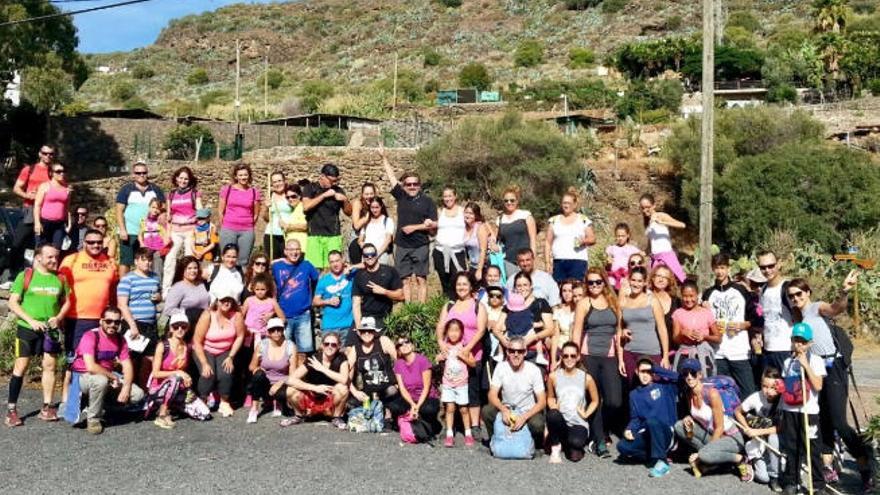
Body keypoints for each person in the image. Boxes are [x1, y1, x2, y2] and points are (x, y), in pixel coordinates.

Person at [788, 272, 873, 488]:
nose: (796, 298)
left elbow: (836, 308)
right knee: (823, 417)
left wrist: (844, 290)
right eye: (791, 296)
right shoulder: (797, 316)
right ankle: (828, 467)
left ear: (807, 292)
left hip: (833, 366)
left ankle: (865, 464)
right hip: (815, 368)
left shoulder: (817, 307)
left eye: (799, 294)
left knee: (838, 421)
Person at [5, 244, 69, 427]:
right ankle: (11, 410)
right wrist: (31, 321)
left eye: (56, 257)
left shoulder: (61, 278)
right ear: (38, 257)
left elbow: (66, 302)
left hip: (50, 330)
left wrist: (59, 317)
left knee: (50, 366)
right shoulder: (25, 276)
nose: (54, 260)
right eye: (50, 257)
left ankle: (47, 407)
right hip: (27, 328)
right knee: (21, 366)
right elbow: (13, 303)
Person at [59, 228, 118, 402]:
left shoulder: (110, 262)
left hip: (102, 320)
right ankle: (67, 399)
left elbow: (113, 291)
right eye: (91, 242)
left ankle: (89, 398)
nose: (95, 245)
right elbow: (61, 290)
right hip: (76, 318)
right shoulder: (71, 260)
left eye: (99, 242)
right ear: (84, 242)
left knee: (97, 359)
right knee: (74, 360)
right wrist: (60, 315)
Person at [570, 267, 622, 458]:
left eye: (598, 282)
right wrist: (574, 356)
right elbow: (576, 330)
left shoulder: (613, 300)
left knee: (614, 401)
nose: (594, 286)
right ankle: (598, 441)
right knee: (595, 399)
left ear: (604, 282)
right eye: (590, 282)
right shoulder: (584, 303)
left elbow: (618, 329)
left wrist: (621, 355)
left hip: (609, 355)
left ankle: (603, 429)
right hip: (588, 355)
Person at [67, 306, 145, 434]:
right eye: (108, 321)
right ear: (101, 321)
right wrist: (113, 377)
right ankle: (93, 420)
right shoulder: (90, 336)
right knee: (101, 381)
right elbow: (91, 366)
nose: (112, 325)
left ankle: (103, 407)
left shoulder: (120, 339)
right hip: (83, 376)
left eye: (117, 322)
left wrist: (126, 387)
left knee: (137, 394)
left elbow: (127, 366)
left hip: (106, 375)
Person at [674, 358, 752, 482]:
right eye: (685, 374)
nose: (689, 377)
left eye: (693, 373)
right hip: (711, 433)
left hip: (731, 436)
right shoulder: (689, 393)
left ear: (699, 375)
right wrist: (688, 418)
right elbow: (699, 417)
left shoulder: (711, 393)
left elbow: (720, 427)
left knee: (704, 454)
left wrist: (700, 456)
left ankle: (740, 459)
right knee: (679, 426)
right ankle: (716, 460)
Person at [379, 146, 437, 303]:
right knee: (404, 280)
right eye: (409, 184)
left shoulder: (428, 201)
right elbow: (391, 178)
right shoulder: (401, 196)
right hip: (402, 245)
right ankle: (409, 309)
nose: (412, 186)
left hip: (420, 245)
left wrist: (416, 227)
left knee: (421, 279)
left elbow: (435, 224)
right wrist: (384, 157)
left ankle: (421, 310)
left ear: (420, 185)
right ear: (404, 185)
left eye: (415, 184)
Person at [777, 323, 827, 494]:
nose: (799, 345)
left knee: (812, 448)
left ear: (810, 343)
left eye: (803, 342)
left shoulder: (816, 360)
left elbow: (818, 386)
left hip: (809, 411)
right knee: (792, 446)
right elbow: (786, 385)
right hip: (790, 410)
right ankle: (792, 481)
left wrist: (806, 365)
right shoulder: (787, 362)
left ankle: (818, 484)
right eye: (796, 340)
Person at [436, 271, 487, 435]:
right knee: (450, 386)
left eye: (465, 284)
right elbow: (440, 326)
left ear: (471, 286)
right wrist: (440, 344)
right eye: (459, 284)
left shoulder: (478, 306)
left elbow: (481, 330)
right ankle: (450, 424)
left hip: (472, 355)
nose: (462, 287)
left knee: (472, 389)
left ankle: (474, 426)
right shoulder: (449, 305)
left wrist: (467, 349)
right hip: (451, 356)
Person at [702, 253, 756, 398]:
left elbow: (755, 317)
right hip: (717, 352)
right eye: (716, 268)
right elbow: (702, 322)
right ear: (712, 269)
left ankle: (750, 419)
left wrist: (743, 325)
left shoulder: (740, 290)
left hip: (739, 350)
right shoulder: (707, 294)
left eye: (723, 267)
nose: (719, 271)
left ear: (728, 269)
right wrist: (705, 311)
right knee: (722, 394)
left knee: (748, 391)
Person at [617, 357, 681, 478]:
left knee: (652, 422)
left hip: (666, 432)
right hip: (647, 433)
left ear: (653, 373)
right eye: (642, 372)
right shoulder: (634, 394)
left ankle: (662, 462)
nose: (645, 375)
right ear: (637, 372)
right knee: (622, 446)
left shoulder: (664, 387)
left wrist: (656, 368)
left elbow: (679, 378)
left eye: (649, 372)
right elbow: (635, 418)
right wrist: (629, 429)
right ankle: (653, 456)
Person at [144, 312, 210, 429]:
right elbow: (155, 373)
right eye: (176, 326)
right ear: (171, 328)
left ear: (187, 328)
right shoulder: (163, 345)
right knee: (176, 377)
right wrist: (178, 372)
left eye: (183, 326)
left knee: (204, 414)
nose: (180, 329)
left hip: (177, 388)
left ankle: (174, 405)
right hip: (158, 388)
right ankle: (162, 413)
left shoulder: (187, 347)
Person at [481, 336, 546, 447]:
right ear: (507, 352)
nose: (516, 354)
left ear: (525, 352)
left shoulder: (534, 370)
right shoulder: (501, 367)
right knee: (487, 411)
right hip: (507, 408)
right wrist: (503, 410)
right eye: (512, 351)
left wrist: (525, 416)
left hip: (527, 410)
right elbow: (492, 394)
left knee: (538, 424)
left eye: (520, 351)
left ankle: (535, 444)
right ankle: (496, 440)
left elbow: (542, 401)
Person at [192, 289, 246, 417]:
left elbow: (240, 336)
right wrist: (204, 363)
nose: (226, 303)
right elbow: (197, 340)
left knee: (226, 372)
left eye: (229, 300)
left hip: (225, 350)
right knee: (208, 373)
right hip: (205, 349)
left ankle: (224, 401)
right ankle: (203, 399)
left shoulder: (236, 316)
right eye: (223, 300)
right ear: (217, 302)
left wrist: (231, 356)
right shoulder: (208, 315)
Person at [6, 144, 55, 285]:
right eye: (45, 153)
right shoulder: (30, 169)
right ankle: (13, 276)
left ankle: (39, 277)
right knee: (18, 243)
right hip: (29, 210)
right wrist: (27, 195)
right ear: (40, 154)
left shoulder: (54, 171)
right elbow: (16, 188)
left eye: (51, 154)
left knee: (41, 247)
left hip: (46, 211)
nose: (48, 156)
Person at [546, 341, 600, 463]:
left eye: (572, 356)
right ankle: (556, 447)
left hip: (578, 423)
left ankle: (568, 444)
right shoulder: (553, 376)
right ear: (561, 357)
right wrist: (554, 407)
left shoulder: (586, 378)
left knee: (575, 451)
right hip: (562, 420)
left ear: (578, 357)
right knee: (552, 414)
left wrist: (586, 414)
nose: (569, 359)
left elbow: (595, 400)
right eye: (565, 356)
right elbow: (550, 397)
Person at [285, 331, 350, 428]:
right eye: (326, 344)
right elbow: (290, 380)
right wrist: (315, 388)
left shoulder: (342, 358)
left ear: (339, 346)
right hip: (312, 396)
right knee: (290, 390)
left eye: (334, 344)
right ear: (322, 346)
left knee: (343, 388)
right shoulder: (313, 359)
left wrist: (322, 369)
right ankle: (298, 415)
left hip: (330, 397)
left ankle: (336, 417)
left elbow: (344, 380)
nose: (330, 347)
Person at [117, 248, 162, 386]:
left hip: (151, 324)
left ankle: (143, 391)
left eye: (149, 260)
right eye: (144, 260)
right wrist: (132, 326)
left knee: (149, 359)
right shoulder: (127, 279)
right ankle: (129, 390)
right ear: (136, 261)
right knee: (132, 360)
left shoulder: (155, 277)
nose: (148, 263)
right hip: (134, 323)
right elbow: (122, 305)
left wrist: (159, 298)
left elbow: (158, 297)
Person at [735, 367, 783, 490]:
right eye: (765, 386)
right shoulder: (756, 396)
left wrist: (757, 431)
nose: (768, 391)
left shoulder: (783, 399)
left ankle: (774, 477)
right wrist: (746, 428)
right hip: (759, 442)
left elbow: (780, 428)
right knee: (762, 478)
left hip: (776, 440)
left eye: (773, 387)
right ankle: (750, 462)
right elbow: (738, 411)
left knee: (773, 438)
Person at [273, 238, 320, 364]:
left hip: (303, 315)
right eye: (291, 249)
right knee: (283, 351)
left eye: (297, 249)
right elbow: (262, 271)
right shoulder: (276, 266)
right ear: (285, 251)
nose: (294, 252)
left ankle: (300, 381)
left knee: (303, 353)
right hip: (284, 315)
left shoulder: (307, 265)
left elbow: (317, 281)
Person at [116, 160, 165, 276]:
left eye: (144, 172)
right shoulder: (126, 189)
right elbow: (119, 210)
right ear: (133, 174)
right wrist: (123, 229)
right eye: (138, 173)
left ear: (147, 173)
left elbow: (163, 209)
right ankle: (123, 288)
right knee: (126, 262)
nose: (141, 175)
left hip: (149, 233)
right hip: (130, 231)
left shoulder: (155, 189)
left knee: (148, 261)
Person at [619, 266, 670, 380]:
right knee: (633, 391)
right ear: (629, 280)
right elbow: (619, 330)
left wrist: (665, 355)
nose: (636, 284)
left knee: (655, 388)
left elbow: (662, 329)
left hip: (651, 351)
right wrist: (620, 359)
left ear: (644, 283)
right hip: (630, 352)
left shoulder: (652, 301)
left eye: (639, 281)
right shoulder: (623, 301)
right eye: (633, 280)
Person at [494, 272, 553, 366]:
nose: (522, 288)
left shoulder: (541, 303)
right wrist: (503, 340)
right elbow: (497, 328)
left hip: (532, 351)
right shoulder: (510, 305)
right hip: (511, 350)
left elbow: (550, 329)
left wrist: (532, 338)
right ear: (515, 288)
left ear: (531, 286)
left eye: (525, 285)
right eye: (519, 285)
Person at [245, 318, 296, 424]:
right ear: (268, 332)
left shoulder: (290, 346)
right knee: (258, 375)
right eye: (273, 330)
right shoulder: (262, 345)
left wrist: (280, 383)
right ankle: (254, 409)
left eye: (279, 330)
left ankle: (278, 402)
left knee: (284, 399)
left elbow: (293, 374)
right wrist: (257, 368)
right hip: (265, 382)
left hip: (282, 382)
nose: (276, 333)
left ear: (283, 331)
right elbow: (251, 366)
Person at [301, 163, 351, 270]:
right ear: (322, 176)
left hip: (333, 236)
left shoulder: (338, 190)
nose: (334, 183)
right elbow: (306, 206)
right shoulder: (310, 188)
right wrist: (324, 195)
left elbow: (349, 212)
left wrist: (345, 200)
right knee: (313, 269)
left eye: (336, 181)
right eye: (331, 180)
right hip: (314, 236)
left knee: (333, 268)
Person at [392, 334, 442, 437]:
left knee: (428, 409)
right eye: (400, 344)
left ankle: (430, 424)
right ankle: (410, 422)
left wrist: (417, 406)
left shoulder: (422, 360)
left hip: (426, 397)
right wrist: (412, 404)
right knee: (394, 406)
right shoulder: (398, 364)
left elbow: (426, 387)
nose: (404, 345)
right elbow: (402, 388)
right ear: (398, 349)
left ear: (412, 345)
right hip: (410, 397)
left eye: (407, 342)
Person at [352, 243, 404, 339]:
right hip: (365, 317)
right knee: (349, 348)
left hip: (382, 318)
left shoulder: (390, 271)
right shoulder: (359, 275)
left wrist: (384, 292)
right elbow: (356, 303)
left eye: (372, 254)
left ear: (377, 254)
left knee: (381, 345)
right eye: (366, 255)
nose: (370, 257)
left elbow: (401, 296)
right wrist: (358, 325)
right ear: (363, 257)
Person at [438, 318, 477, 447]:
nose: (453, 334)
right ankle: (449, 434)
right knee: (449, 408)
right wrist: (439, 358)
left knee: (464, 409)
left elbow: (473, 363)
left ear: (461, 332)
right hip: (448, 383)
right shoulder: (445, 346)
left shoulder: (465, 347)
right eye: (451, 331)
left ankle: (468, 433)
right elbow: (438, 359)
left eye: (457, 331)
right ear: (447, 332)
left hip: (462, 383)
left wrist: (464, 357)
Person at [346, 317, 399, 411]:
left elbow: (399, 361)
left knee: (392, 392)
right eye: (363, 331)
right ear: (359, 333)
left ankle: (386, 412)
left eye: (369, 331)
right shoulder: (355, 348)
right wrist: (355, 392)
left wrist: (399, 383)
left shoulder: (383, 341)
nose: (366, 333)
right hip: (369, 391)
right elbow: (346, 371)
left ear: (374, 332)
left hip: (388, 388)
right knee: (352, 403)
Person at [756, 251, 795, 379]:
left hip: (786, 349)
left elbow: (799, 316)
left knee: (789, 392)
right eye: (763, 267)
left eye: (771, 266)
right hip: (767, 350)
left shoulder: (787, 288)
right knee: (771, 393)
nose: (767, 270)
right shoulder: (763, 290)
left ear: (778, 264)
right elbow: (764, 317)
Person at [163, 166, 203, 290]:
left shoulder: (194, 193)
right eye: (181, 178)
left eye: (186, 179)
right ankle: (166, 288)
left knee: (189, 260)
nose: (183, 181)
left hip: (190, 230)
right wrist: (167, 234)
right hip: (175, 230)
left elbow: (200, 211)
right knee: (170, 258)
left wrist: (202, 221)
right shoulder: (171, 194)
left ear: (189, 180)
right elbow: (169, 215)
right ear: (176, 178)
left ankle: (189, 287)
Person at [544, 188, 595, 283]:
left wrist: (584, 241)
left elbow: (592, 238)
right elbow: (547, 242)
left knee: (576, 290)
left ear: (575, 204)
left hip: (578, 261)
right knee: (559, 290)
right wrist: (547, 263)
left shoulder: (583, 220)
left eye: (568, 203)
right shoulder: (554, 221)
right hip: (558, 261)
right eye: (564, 203)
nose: (566, 205)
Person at [218, 163, 262, 267]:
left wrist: (248, 225)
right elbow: (220, 211)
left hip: (246, 231)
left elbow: (256, 213)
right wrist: (225, 225)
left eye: (245, 175)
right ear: (236, 176)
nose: (243, 177)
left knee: (243, 261)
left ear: (249, 176)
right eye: (240, 175)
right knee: (227, 259)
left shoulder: (254, 192)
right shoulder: (227, 190)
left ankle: (241, 281)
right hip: (228, 229)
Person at [672, 280, 719, 375]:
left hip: (703, 356)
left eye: (691, 296)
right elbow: (675, 339)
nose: (688, 300)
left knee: (704, 386)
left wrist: (704, 337)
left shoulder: (706, 313)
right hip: (684, 357)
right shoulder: (678, 313)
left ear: (698, 295)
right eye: (685, 296)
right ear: (681, 296)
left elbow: (718, 338)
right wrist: (683, 333)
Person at [639, 193, 686, 283]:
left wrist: (663, 222)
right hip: (655, 259)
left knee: (679, 282)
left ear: (654, 206)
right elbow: (650, 245)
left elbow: (682, 225)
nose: (645, 210)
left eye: (647, 207)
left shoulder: (661, 215)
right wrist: (642, 253)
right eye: (642, 208)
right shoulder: (647, 223)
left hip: (667, 257)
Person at [433, 186, 468, 300]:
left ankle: (460, 307)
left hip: (457, 252)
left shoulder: (463, 211)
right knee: (445, 283)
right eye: (445, 196)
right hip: (440, 252)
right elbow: (433, 229)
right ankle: (447, 307)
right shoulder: (439, 211)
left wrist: (491, 236)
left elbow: (479, 222)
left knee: (459, 281)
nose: (447, 199)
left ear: (455, 196)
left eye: (450, 196)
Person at [314, 250, 355, 343]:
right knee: (329, 355)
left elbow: (366, 265)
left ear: (342, 261)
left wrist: (351, 267)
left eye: (337, 261)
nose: (335, 264)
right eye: (332, 262)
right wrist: (328, 301)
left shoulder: (351, 276)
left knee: (348, 355)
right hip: (329, 326)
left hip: (348, 325)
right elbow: (315, 301)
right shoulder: (324, 280)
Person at [496, 185, 537, 278]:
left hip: (525, 261)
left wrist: (533, 259)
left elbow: (533, 239)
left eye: (512, 200)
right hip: (508, 262)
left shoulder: (525, 215)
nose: (509, 203)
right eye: (506, 201)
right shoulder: (500, 219)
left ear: (517, 201)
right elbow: (497, 241)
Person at [162, 256, 211, 328]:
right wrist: (187, 313)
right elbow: (168, 310)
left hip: (204, 324)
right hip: (186, 326)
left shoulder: (202, 284)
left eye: (195, 268)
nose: (193, 271)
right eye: (189, 268)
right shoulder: (178, 287)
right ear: (183, 270)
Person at [241, 272, 285, 351]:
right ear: (253, 288)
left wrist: (272, 321)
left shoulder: (272, 302)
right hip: (248, 335)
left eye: (263, 289)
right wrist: (244, 330)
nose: (260, 292)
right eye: (257, 289)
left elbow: (282, 318)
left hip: (265, 336)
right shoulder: (249, 300)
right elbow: (241, 317)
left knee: (262, 358)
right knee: (247, 357)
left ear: (267, 289)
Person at [33, 161, 71, 250]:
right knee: (41, 250)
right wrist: (37, 223)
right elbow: (37, 205)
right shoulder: (45, 186)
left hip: (59, 224)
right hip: (45, 222)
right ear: (51, 173)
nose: (62, 173)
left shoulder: (67, 188)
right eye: (58, 171)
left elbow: (67, 208)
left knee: (56, 250)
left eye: (63, 171)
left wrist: (69, 224)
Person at [649, 264, 680, 358]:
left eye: (665, 277)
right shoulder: (645, 298)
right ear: (653, 278)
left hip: (673, 352)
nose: (661, 279)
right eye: (658, 276)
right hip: (651, 351)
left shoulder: (677, 301)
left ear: (669, 281)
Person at [550, 279, 581, 369]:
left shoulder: (580, 309)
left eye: (570, 291)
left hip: (577, 348)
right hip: (561, 349)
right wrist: (553, 361)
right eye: (564, 291)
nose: (567, 294)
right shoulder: (558, 310)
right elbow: (555, 336)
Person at [262, 171, 290, 261]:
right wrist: (266, 207)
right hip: (271, 234)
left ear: (284, 181)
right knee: (273, 262)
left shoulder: (290, 195)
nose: (278, 184)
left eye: (279, 180)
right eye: (274, 182)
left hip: (288, 234)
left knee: (288, 261)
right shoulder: (270, 196)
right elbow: (266, 218)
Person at [606, 222, 642, 291]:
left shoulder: (632, 249)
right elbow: (608, 267)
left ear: (628, 235)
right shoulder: (611, 248)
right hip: (612, 280)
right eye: (618, 236)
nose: (620, 238)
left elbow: (641, 258)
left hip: (625, 279)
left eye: (623, 236)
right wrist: (609, 263)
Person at [358, 197, 394, 266]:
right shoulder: (366, 221)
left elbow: (388, 240)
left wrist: (376, 255)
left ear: (381, 206)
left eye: (377, 207)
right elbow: (360, 239)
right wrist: (361, 243)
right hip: (367, 257)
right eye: (372, 207)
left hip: (381, 257)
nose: (374, 210)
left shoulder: (388, 221)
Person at [138, 198, 170, 275]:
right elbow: (140, 234)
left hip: (158, 249)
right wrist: (141, 243)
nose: (155, 210)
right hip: (147, 248)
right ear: (149, 207)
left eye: (157, 208)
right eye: (153, 207)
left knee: (158, 269)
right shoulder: (143, 220)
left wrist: (164, 246)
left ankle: (158, 286)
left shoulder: (161, 221)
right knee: (146, 269)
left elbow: (166, 234)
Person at [348, 182, 377, 263]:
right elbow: (356, 225)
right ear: (362, 194)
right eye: (366, 194)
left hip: (372, 238)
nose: (369, 196)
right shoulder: (358, 203)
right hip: (357, 239)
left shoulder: (376, 204)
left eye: (371, 194)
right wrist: (367, 216)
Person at [463, 201, 491, 282]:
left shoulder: (480, 227)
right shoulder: (465, 228)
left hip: (483, 266)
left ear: (476, 215)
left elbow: (483, 250)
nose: (468, 215)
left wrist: (479, 270)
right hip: (472, 265)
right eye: (466, 212)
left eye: (471, 213)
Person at [279, 183, 308, 257]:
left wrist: (288, 226)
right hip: (291, 249)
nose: (290, 199)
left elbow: (306, 226)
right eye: (287, 197)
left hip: (301, 248)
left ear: (300, 196)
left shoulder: (302, 208)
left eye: (293, 196)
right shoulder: (293, 210)